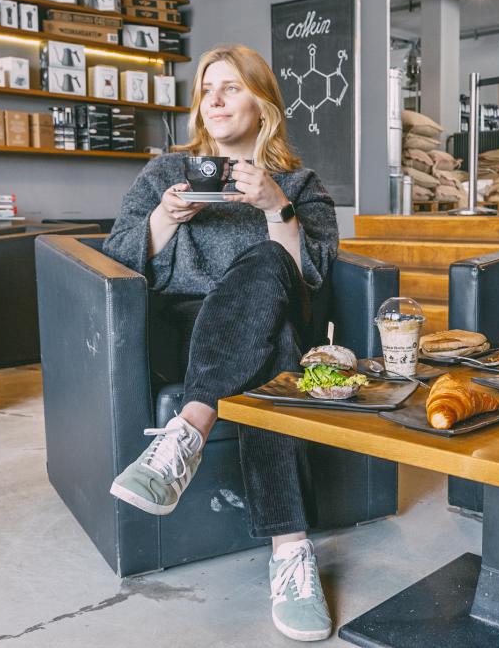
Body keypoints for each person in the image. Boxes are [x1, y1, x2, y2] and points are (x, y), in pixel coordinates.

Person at [102, 44, 337, 642]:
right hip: (180, 328)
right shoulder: (165, 174)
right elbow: (116, 255)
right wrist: (162, 218)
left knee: (270, 293)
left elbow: (312, 273)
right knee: (275, 346)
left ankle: (186, 434)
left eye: (231, 87)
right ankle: (291, 552)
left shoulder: (300, 184)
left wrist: (276, 208)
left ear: (263, 105)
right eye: (208, 89)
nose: (215, 99)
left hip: (270, 313)